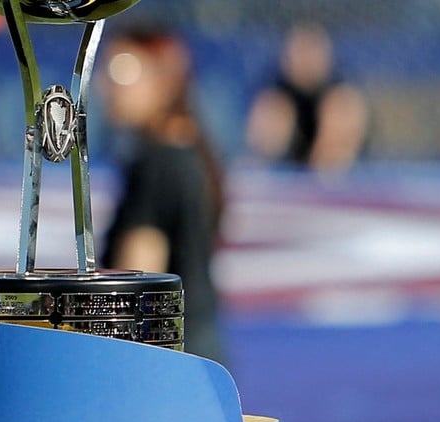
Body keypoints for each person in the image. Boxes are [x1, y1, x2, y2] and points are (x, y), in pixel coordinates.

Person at [99, 25, 225, 363]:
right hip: (201, 352)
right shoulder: (193, 150)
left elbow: (138, 285)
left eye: (122, 73)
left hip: (166, 362)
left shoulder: (156, 162)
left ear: (163, 80)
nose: (107, 87)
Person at [246, 22, 368, 172]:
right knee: (273, 112)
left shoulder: (342, 96)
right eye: (300, 50)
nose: (306, 59)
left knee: (342, 109)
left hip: (338, 180)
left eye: (312, 49)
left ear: (327, 54)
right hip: (284, 176)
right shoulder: (274, 96)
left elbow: (334, 164)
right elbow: (257, 161)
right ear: (286, 55)